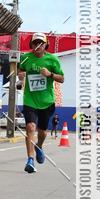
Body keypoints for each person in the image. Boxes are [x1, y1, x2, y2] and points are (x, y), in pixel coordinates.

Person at [17, 33, 65, 173]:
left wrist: (50, 74)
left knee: (42, 132)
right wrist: (20, 75)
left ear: (45, 45)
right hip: (30, 99)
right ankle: (30, 160)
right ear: (31, 45)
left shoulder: (53, 60)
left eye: (41, 43)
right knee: (30, 127)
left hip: (47, 101)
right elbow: (20, 70)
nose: (38, 45)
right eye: (35, 43)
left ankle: (39, 146)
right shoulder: (25, 58)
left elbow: (62, 78)